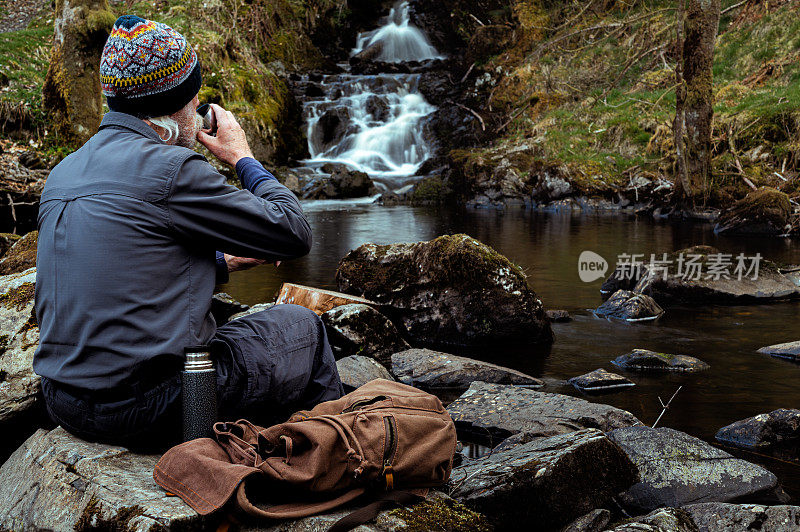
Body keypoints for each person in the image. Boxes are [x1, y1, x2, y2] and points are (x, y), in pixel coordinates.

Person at [33, 15, 343, 450]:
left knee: (225, 325)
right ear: (176, 106)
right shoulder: (173, 169)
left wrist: (221, 261)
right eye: (194, 98)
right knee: (301, 326)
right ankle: (329, 461)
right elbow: (293, 231)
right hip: (150, 408)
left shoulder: (63, 173)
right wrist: (242, 157)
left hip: (64, 403)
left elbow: (113, 270)